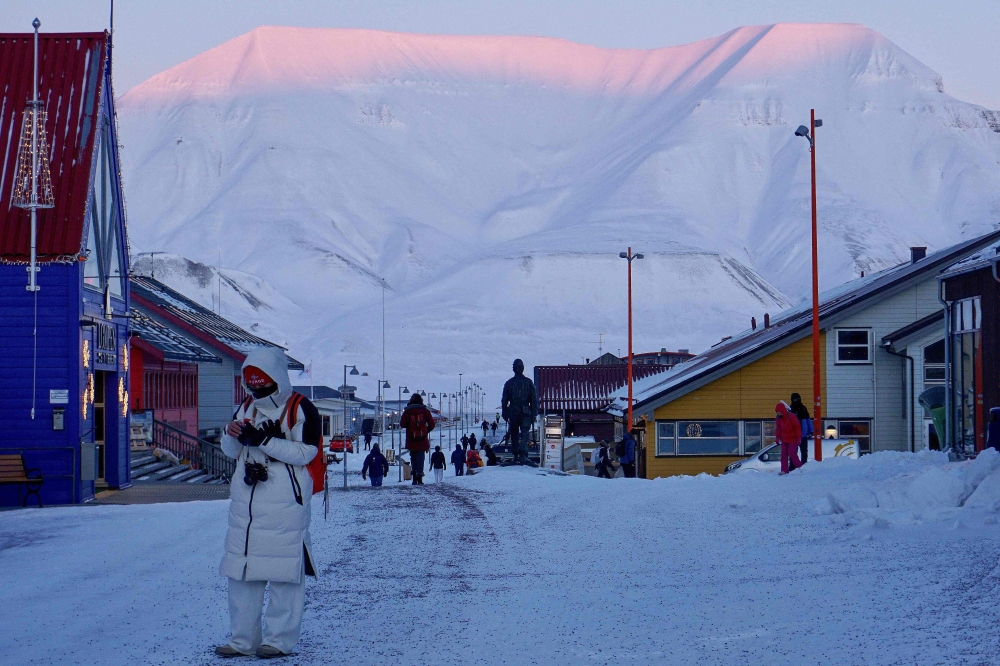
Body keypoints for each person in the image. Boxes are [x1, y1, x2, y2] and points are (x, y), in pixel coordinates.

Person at [216, 348, 320, 659]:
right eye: (253, 386)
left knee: (285, 575)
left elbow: (307, 453)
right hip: (247, 505)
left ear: (279, 380)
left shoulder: (302, 409)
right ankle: (242, 641)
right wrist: (232, 434)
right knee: (242, 575)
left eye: (265, 386)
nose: (258, 392)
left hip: (286, 503)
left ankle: (279, 641)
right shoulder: (246, 408)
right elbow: (231, 451)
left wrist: (264, 442)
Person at [501, 358, 538, 465]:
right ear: (522, 368)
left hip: (513, 412)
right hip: (525, 412)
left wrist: (504, 412)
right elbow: (533, 400)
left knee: (515, 434)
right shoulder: (528, 382)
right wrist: (534, 413)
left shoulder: (509, 383)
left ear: (514, 369)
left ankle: (517, 455)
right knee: (524, 434)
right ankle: (522, 455)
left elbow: (504, 400)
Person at [399, 393, 435, 485]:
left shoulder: (408, 411)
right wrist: (425, 431)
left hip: (411, 439)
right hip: (422, 439)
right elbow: (432, 424)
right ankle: (420, 476)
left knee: (413, 457)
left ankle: (414, 477)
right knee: (421, 457)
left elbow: (402, 424)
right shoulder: (425, 411)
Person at [775, 401, 802, 474]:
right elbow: (778, 428)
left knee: (792, 453)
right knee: (783, 454)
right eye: (777, 412)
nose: (778, 413)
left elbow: (797, 427)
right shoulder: (778, 419)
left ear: (783, 411)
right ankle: (784, 470)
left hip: (793, 439)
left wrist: (799, 437)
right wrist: (777, 438)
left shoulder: (791, 416)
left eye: (779, 412)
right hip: (784, 439)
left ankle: (799, 467)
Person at [789, 393, 813, 467]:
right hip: (794, 435)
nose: (796, 400)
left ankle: (804, 466)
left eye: (797, 399)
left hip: (803, 434)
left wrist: (811, 430)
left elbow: (808, 420)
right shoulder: (790, 409)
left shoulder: (803, 408)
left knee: (804, 452)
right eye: (794, 399)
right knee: (793, 452)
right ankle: (793, 466)